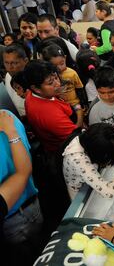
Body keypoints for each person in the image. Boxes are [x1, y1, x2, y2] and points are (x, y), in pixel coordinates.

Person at [0, 110, 43, 265]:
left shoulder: (6, 116)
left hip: (28, 207)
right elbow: (23, 171)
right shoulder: (6, 117)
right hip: (14, 218)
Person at [62, 123, 114, 200]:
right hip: (81, 195)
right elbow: (110, 192)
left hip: (90, 183)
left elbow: (104, 134)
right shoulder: (78, 160)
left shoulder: (89, 136)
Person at [24, 60, 78, 152]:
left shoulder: (31, 94)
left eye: (56, 78)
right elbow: (76, 138)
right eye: (50, 83)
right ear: (36, 88)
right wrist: (79, 110)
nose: (57, 84)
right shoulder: (50, 114)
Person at [41, 44, 85, 127]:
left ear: (65, 58)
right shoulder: (50, 77)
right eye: (54, 66)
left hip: (74, 103)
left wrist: (83, 103)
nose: (59, 68)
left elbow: (79, 89)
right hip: (60, 106)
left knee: (79, 118)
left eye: (62, 63)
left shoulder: (72, 73)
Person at [2, 44, 29, 117]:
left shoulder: (35, 80)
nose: (10, 68)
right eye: (6, 63)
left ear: (26, 61)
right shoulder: (8, 76)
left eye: (14, 63)